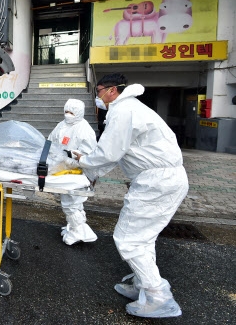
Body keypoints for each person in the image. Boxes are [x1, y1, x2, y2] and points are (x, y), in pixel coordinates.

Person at [73, 73, 188, 318]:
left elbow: (108, 153)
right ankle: (141, 286)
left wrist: (85, 163)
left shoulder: (124, 111)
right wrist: (92, 167)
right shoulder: (129, 108)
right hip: (159, 179)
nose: (97, 97)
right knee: (143, 238)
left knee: (129, 239)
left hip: (157, 182)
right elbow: (115, 152)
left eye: (99, 90)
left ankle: (158, 297)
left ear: (112, 90)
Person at [48, 99, 98, 245]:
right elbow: (51, 141)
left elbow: (89, 155)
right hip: (62, 170)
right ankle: (74, 227)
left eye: (72, 112)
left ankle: (79, 232)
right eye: (66, 112)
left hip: (77, 172)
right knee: (73, 201)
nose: (68, 115)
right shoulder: (61, 125)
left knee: (71, 203)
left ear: (79, 113)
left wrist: (71, 158)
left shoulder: (85, 130)